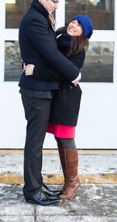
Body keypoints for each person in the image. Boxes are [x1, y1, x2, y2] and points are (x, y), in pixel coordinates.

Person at [18, 0, 81, 206]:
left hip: (41, 88)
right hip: (36, 90)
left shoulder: (41, 16)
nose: (56, 6)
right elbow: (50, 52)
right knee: (34, 142)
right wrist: (74, 72)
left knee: (37, 141)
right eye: (54, 1)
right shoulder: (35, 19)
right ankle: (32, 190)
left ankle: (36, 184)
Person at [24, 15, 93, 200]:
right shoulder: (58, 41)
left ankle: (73, 181)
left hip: (67, 98)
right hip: (54, 95)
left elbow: (62, 73)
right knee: (59, 138)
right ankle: (68, 181)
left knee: (67, 138)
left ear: (83, 33)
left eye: (79, 25)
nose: (73, 25)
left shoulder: (78, 50)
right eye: (73, 21)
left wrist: (36, 71)